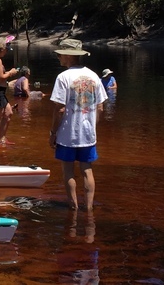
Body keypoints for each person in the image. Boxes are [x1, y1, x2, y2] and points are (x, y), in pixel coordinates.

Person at [49, 39, 107, 211]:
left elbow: (59, 109)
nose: (58, 57)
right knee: (87, 171)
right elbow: (100, 107)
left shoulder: (63, 77)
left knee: (68, 171)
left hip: (67, 134)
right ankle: (88, 209)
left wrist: (53, 132)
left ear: (68, 56)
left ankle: (73, 208)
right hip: (88, 135)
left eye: (60, 54)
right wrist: (92, 126)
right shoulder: (94, 76)